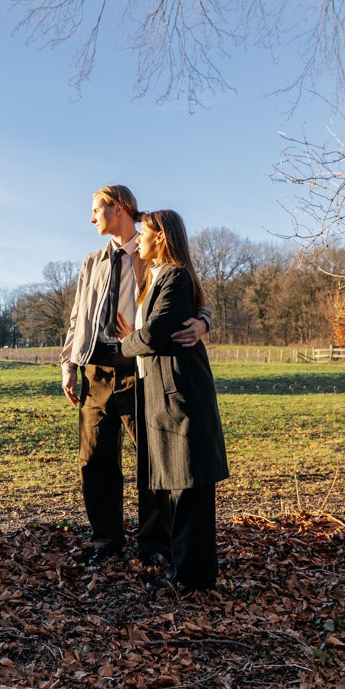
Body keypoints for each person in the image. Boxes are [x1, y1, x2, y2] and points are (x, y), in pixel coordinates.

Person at [60, 185, 212, 567]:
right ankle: (105, 542)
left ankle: (154, 545)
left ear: (120, 208)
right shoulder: (91, 262)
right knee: (93, 460)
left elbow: (194, 299)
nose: (91, 217)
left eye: (97, 209)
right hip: (95, 370)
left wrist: (204, 323)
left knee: (152, 460)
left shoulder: (152, 253)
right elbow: (78, 317)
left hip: (141, 371)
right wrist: (69, 363)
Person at [119, 209, 229, 595]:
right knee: (179, 486)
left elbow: (152, 336)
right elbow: (153, 332)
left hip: (181, 397)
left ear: (161, 237)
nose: (139, 239)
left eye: (144, 233)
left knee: (189, 487)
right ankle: (188, 571)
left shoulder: (176, 276)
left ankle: (192, 578)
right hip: (165, 396)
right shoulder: (159, 277)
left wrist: (124, 344)